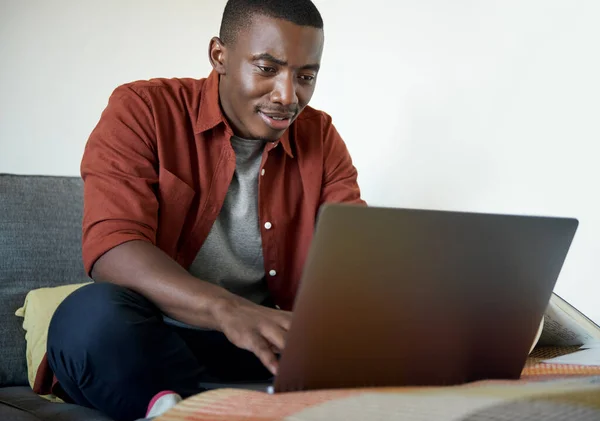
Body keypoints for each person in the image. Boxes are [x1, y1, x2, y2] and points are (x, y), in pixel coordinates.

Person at [40, 0, 364, 420]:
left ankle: (214, 405)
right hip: (148, 339)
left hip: (262, 349)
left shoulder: (320, 137)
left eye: (305, 77)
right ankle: (176, 405)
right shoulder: (142, 109)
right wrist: (230, 310)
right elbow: (114, 247)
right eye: (267, 68)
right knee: (87, 316)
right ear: (219, 56)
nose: (288, 95)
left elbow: (353, 254)